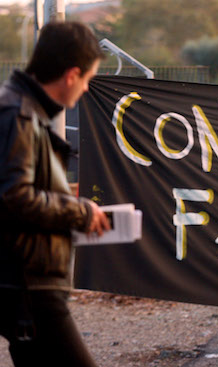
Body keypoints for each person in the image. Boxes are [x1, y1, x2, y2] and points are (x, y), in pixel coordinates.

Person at [0, 21, 110, 366]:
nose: (87, 90)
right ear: (71, 75)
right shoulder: (18, 116)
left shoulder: (23, 111)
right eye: (88, 79)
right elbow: (15, 196)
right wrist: (80, 213)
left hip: (26, 283)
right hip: (29, 286)